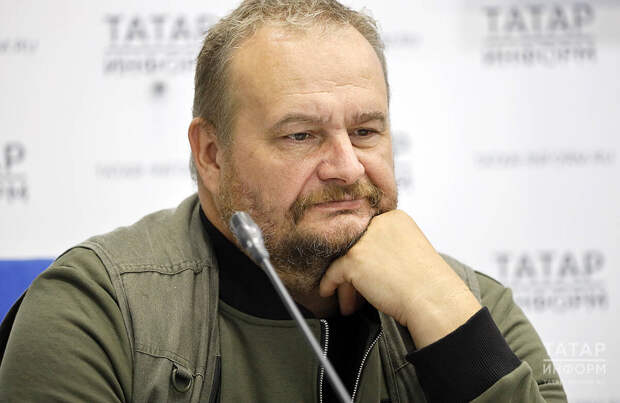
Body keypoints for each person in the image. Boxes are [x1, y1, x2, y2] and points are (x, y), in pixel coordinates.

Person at [0, 1, 567, 401]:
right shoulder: (100, 311)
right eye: (301, 135)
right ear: (211, 154)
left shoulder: (469, 303)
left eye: (365, 131)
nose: (347, 167)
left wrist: (444, 318)